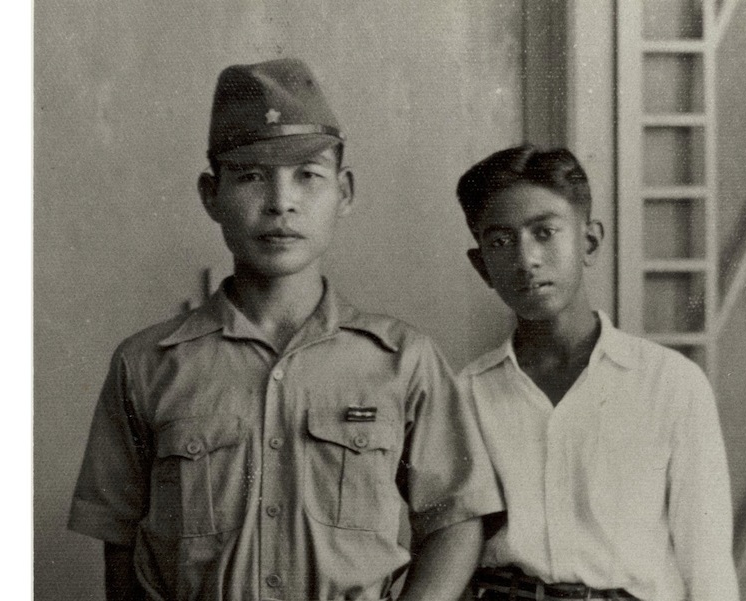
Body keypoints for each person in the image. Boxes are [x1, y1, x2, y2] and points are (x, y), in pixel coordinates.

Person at [68, 58, 503, 601]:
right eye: (250, 175)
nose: (281, 202)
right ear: (210, 195)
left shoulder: (403, 360)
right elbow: (120, 544)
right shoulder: (147, 364)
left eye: (308, 176)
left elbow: (456, 521)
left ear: (343, 192)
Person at [455, 145, 739, 601]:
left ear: (589, 242)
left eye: (544, 232)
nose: (526, 258)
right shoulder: (465, 394)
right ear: (481, 266)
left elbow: (707, 565)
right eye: (501, 242)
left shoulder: (669, 384)